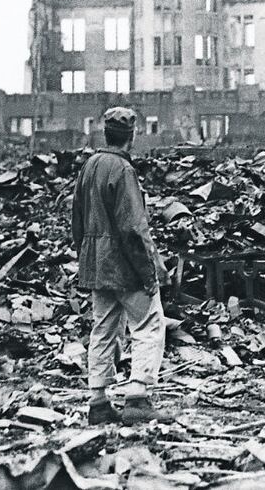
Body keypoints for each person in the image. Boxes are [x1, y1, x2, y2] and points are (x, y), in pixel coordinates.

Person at [71, 107, 174, 425]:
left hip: (98, 266)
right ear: (131, 136)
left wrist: (87, 257)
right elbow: (133, 228)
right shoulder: (123, 170)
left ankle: (98, 402)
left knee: (103, 329)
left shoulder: (90, 166)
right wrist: (150, 272)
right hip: (125, 266)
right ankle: (138, 397)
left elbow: (77, 218)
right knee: (148, 326)